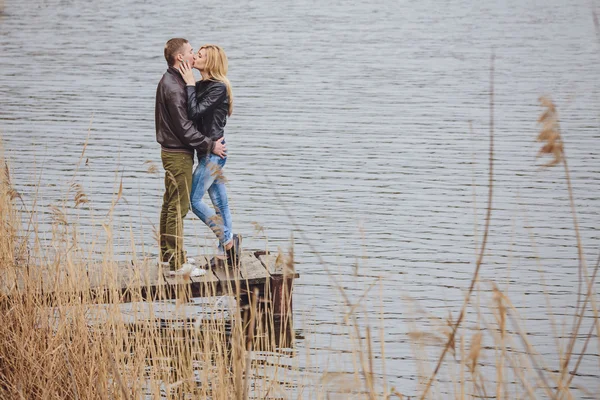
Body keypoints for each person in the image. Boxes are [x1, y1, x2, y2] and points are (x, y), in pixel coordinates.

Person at [155, 38, 227, 276]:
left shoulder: (173, 80)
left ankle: (168, 256)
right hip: (178, 153)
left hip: (173, 150)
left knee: (170, 203)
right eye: (190, 51)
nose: (193, 54)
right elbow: (186, 128)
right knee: (179, 206)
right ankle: (177, 264)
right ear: (180, 58)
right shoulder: (176, 86)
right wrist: (210, 145)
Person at [178, 44, 242, 267]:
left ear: (211, 62)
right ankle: (226, 254)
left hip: (213, 155)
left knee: (193, 201)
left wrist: (188, 84)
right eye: (196, 53)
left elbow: (194, 111)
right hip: (208, 152)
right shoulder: (203, 85)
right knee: (220, 205)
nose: (195, 56)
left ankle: (228, 242)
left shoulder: (218, 87)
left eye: (200, 55)